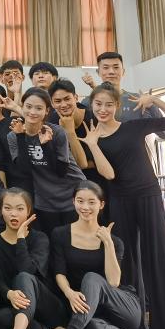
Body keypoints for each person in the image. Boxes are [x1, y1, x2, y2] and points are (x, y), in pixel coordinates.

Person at [86, 82, 165, 329]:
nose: (103, 109)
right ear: (92, 105)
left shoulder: (134, 127)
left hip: (148, 195)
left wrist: (154, 100)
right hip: (120, 200)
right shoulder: (93, 137)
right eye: (98, 104)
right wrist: (94, 145)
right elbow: (108, 174)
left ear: (117, 106)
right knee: (128, 264)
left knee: (159, 257)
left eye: (109, 104)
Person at [51, 182, 165, 329]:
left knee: (91, 277)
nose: (85, 207)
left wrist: (107, 243)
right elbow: (59, 272)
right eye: (80, 201)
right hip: (88, 308)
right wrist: (69, 293)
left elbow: (114, 282)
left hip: (122, 306)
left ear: (101, 204)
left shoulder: (114, 241)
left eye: (91, 202)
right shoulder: (60, 234)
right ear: (73, 202)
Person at [0, 188, 67, 329]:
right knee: (3, 318)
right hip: (17, 307)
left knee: (23, 277)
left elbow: (27, 270)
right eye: (8, 208)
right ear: (1, 211)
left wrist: (20, 239)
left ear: (29, 211)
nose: (13, 213)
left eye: (19, 208)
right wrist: (8, 293)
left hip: (46, 308)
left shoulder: (40, 238)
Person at [6, 88, 86, 235]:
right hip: (45, 199)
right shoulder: (13, 136)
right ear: (22, 107)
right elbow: (24, 170)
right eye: (28, 106)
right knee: (50, 241)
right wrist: (20, 137)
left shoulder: (56, 132)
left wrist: (46, 145)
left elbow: (61, 171)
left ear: (47, 111)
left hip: (71, 195)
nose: (32, 112)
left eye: (39, 108)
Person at [49, 79, 111, 223]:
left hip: (99, 183)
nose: (63, 105)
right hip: (69, 187)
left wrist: (70, 132)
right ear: (52, 103)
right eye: (57, 101)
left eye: (67, 99)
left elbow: (88, 163)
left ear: (76, 97)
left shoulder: (94, 118)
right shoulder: (51, 123)